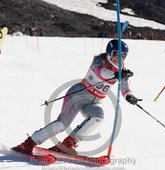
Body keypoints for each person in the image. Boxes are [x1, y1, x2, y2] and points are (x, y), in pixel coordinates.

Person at [13, 39, 141, 155]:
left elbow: (125, 85)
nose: (119, 59)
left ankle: (67, 144)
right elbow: (102, 73)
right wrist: (119, 74)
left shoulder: (121, 70)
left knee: (98, 117)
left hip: (95, 101)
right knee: (62, 124)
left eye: (123, 56)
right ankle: (29, 143)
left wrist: (129, 96)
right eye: (116, 54)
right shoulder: (99, 60)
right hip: (78, 94)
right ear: (109, 53)